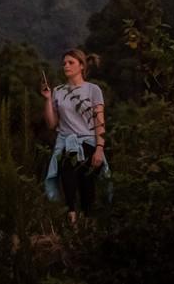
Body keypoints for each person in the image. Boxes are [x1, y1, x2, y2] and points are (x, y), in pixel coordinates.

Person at [41, 47, 108, 221]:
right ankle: (71, 222)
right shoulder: (58, 91)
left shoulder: (93, 90)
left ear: (81, 66)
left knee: (87, 187)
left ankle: (88, 227)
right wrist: (48, 99)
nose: (66, 66)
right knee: (68, 182)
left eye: (71, 62)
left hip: (88, 144)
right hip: (66, 142)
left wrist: (100, 148)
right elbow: (51, 123)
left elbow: (99, 122)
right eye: (64, 63)